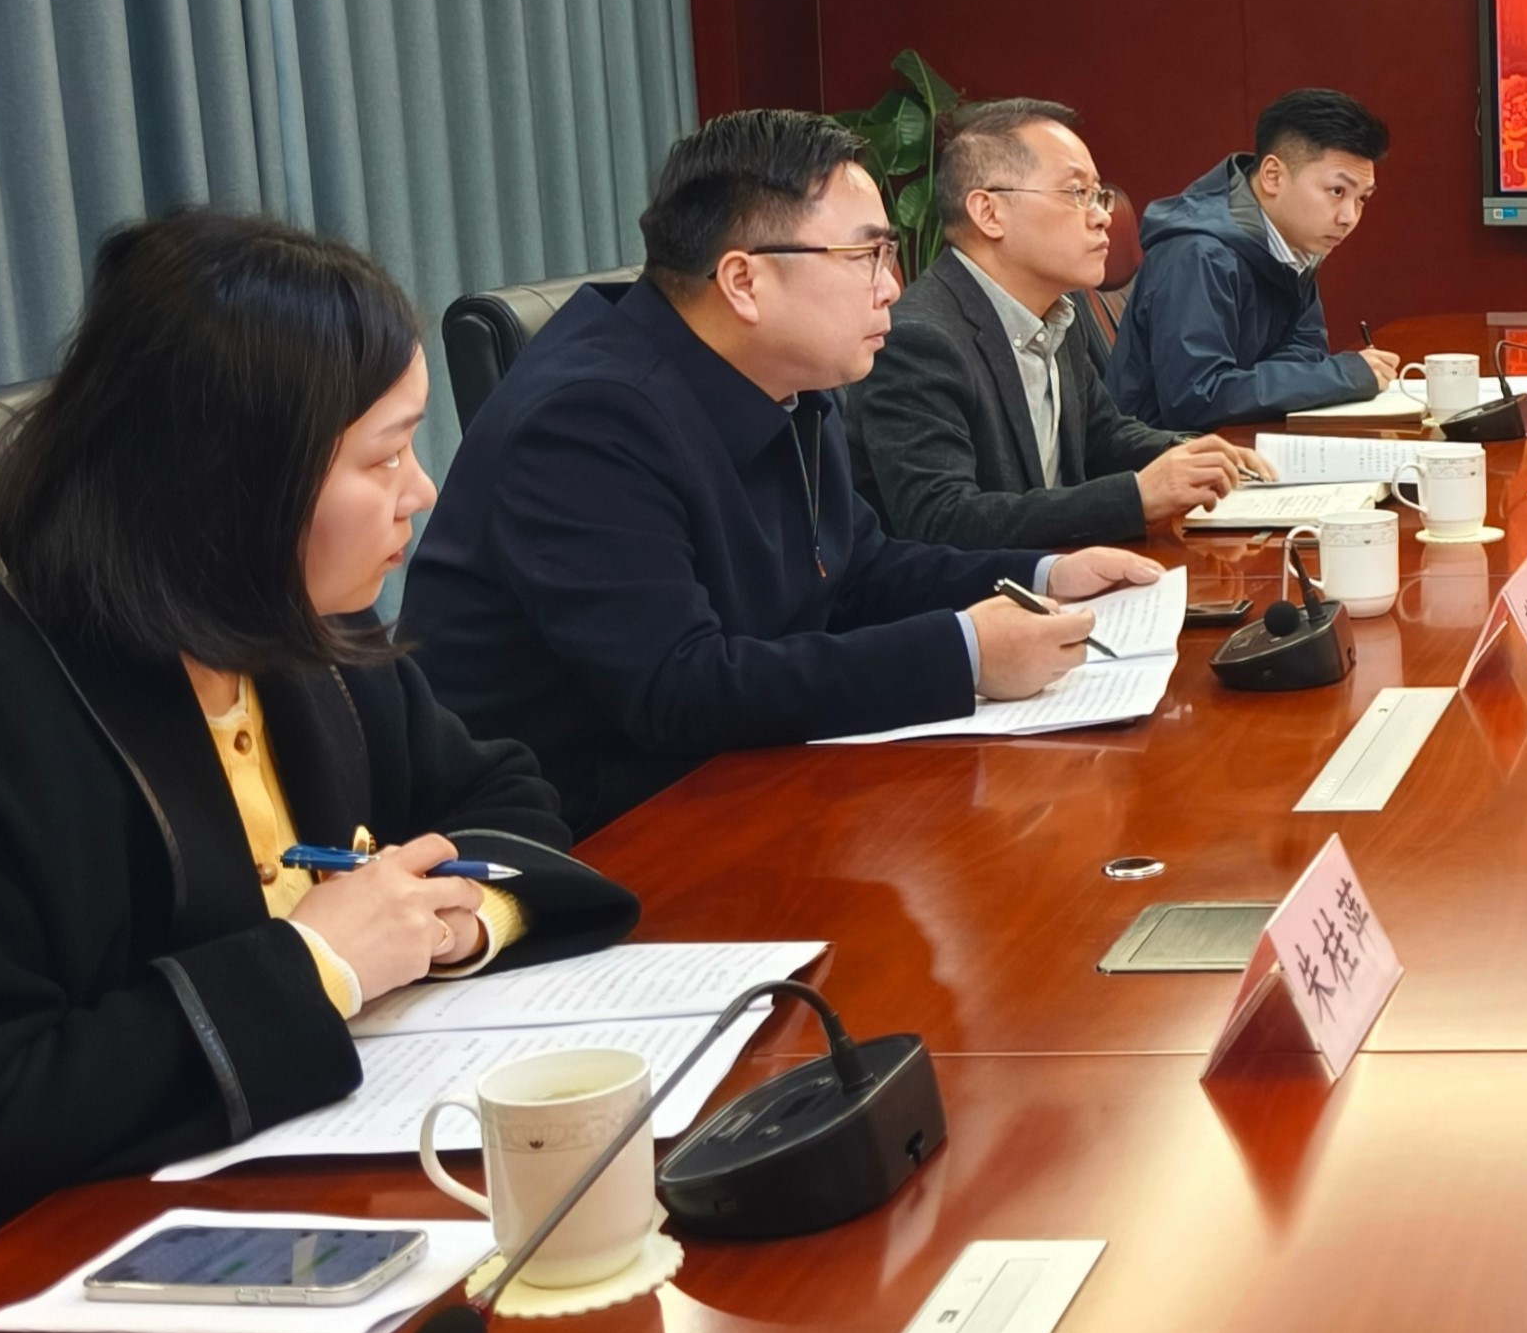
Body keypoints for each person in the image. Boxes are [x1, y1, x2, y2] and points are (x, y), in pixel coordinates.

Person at [0, 211, 639, 1333]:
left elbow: (500, 798)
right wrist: (320, 964)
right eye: (383, 457)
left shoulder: (287, 630)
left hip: (307, 1212)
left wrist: (447, 923)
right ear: (237, 477)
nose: (423, 492)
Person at [405, 111, 1166, 832]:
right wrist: (962, 653)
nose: (892, 287)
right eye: (865, 257)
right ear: (743, 281)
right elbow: (677, 687)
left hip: (743, 781)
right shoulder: (589, 419)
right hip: (597, 834)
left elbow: (856, 571)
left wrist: (1043, 573)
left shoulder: (786, 378)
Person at [856, 98, 1267, 550]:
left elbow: (1101, 435)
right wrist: (1135, 497)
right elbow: (943, 520)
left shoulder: (1056, 309)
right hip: (993, 591)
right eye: (1076, 193)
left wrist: (1186, 452)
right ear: (989, 213)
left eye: (1098, 194)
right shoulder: (920, 339)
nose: (1102, 216)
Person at [1105, 88, 1402, 432]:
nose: (1349, 217)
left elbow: (1306, 355)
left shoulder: (1293, 244)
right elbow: (1196, 399)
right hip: (1165, 453)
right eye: (1337, 191)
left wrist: (1315, 378)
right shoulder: (1197, 254)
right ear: (1273, 176)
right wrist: (1343, 375)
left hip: (1238, 440)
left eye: (1362, 198)